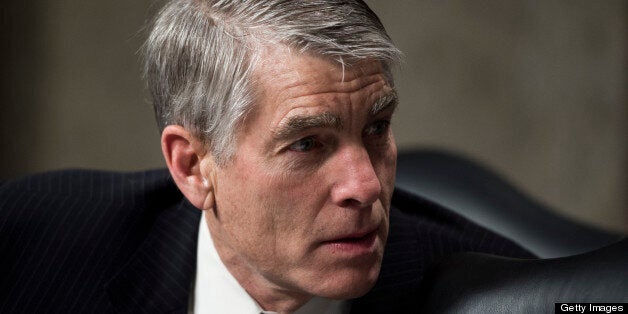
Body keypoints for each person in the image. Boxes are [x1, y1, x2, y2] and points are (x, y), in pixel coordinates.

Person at [0, 0, 533, 313]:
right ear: (191, 167)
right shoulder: (33, 239)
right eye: (307, 143)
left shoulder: (507, 296)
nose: (366, 186)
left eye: (376, 128)